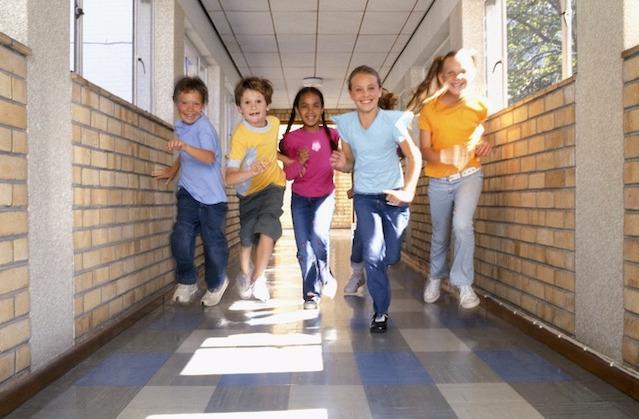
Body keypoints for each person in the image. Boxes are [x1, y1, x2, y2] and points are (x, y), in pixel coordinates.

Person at [331, 65, 421, 333]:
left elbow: (414, 157)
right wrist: (341, 163)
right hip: (365, 197)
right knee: (372, 254)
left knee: (390, 256)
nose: (365, 94)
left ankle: (377, 277)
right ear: (351, 93)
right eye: (358, 89)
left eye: (371, 88)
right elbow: (350, 162)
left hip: (393, 197)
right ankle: (380, 312)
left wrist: (408, 192)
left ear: (380, 91)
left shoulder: (393, 121)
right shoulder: (346, 124)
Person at [407, 49, 492, 309]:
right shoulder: (429, 111)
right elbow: (425, 150)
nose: (457, 77)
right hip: (439, 181)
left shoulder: (480, 106)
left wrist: (484, 144)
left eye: (462, 72)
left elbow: (482, 132)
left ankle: (464, 284)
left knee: (462, 225)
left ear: (472, 74)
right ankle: (435, 275)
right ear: (442, 77)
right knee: (441, 233)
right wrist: (445, 155)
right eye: (451, 73)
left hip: (469, 175)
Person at [151, 76, 229, 307]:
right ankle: (187, 281)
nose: (190, 109)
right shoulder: (180, 126)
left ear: (203, 106)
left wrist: (183, 146)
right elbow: (186, 156)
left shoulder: (204, 128)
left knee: (213, 244)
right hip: (188, 194)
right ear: (176, 103)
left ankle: (216, 283)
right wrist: (172, 170)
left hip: (212, 200)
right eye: (184, 102)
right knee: (180, 237)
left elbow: (208, 157)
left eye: (196, 104)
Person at [225, 76, 286, 302]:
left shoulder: (275, 123)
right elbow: (228, 177)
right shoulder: (240, 136)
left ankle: (259, 279)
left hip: (273, 185)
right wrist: (251, 171)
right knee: (247, 237)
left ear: (268, 105)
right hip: (248, 192)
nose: (253, 106)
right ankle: (245, 273)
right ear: (239, 108)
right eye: (247, 102)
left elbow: (269, 149)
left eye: (258, 101)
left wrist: (285, 160)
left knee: (269, 226)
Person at [279, 87, 339, 310]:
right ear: (297, 110)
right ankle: (310, 294)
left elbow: (339, 163)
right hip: (301, 199)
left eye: (316, 105)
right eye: (304, 105)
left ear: (322, 109)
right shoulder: (290, 139)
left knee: (319, 236)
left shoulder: (332, 135)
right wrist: (299, 163)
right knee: (304, 248)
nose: (310, 110)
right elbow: (289, 175)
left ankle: (325, 273)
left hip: (325, 196)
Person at [343, 88, 399, 295]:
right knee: (362, 235)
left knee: (386, 238)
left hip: (389, 190)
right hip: (365, 191)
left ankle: (376, 274)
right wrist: (354, 186)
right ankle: (358, 273)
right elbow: (353, 162)